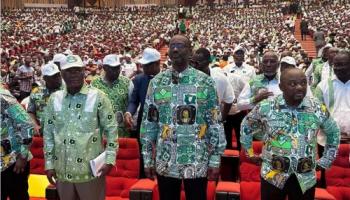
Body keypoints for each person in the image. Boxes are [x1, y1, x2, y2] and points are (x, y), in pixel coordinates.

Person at [140, 35, 226, 200]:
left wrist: (215, 158)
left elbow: (215, 122)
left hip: (197, 158)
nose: (175, 49)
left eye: (181, 45)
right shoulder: (157, 83)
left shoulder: (205, 82)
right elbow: (149, 123)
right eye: (172, 45)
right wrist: (147, 158)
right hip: (166, 159)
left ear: (190, 52)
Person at [241, 68, 340, 200]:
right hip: (273, 175)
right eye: (293, 84)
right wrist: (250, 153)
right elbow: (246, 126)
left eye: (303, 83)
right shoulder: (266, 106)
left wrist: (327, 159)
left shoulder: (317, 108)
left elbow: (334, 132)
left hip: (305, 178)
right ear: (281, 87)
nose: (300, 87)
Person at [43, 55, 118, 200]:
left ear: (84, 71)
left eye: (77, 70)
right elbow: (48, 133)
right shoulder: (55, 99)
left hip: (90, 172)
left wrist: (109, 159)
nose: (73, 75)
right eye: (69, 71)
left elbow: (111, 130)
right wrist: (49, 163)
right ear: (62, 74)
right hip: (62, 172)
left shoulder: (98, 97)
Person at [124, 47, 161, 178]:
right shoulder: (139, 80)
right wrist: (129, 113)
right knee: (144, 151)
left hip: (162, 122)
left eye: (147, 65)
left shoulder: (168, 79)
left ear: (157, 64)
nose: (143, 68)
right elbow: (134, 101)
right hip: (143, 121)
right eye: (143, 65)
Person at [191, 48, 235, 148]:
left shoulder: (220, 79)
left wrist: (222, 119)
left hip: (212, 123)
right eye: (193, 62)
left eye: (199, 62)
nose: (195, 65)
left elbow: (229, 99)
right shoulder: (186, 78)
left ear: (209, 61)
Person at [1, 85, 34, 200]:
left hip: (13, 161)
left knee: (18, 196)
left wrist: (23, 156)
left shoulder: (2, 96)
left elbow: (27, 124)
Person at [92, 54, 133, 137]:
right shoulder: (95, 84)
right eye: (113, 68)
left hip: (122, 133)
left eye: (118, 67)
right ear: (105, 68)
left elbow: (132, 103)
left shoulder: (127, 83)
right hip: (101, 134)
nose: (117, 71)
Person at [315, 50, 350, 143]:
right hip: (328, 140)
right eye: (336, 65)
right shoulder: (322, 86)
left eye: (343, 64)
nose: (339, 68)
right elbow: (317, 111)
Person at [27, 63, 62, 136]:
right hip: (44, 134)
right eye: (54, 76)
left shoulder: (67, 90)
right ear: (45, 78)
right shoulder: (36, 92)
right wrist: (34, 125)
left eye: (58, 74)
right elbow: (30, 112)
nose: (58, 78)